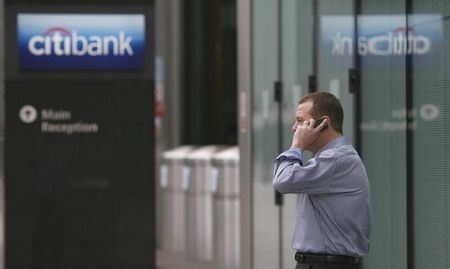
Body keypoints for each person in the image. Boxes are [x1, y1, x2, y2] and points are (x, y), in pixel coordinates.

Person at [273, 92, 371, 269]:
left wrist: (296, 147)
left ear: (323, 124)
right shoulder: (332, 159)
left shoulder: (336, 159)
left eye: (300, 120)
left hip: (326, 264)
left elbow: (282, 181)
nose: (294, 128)